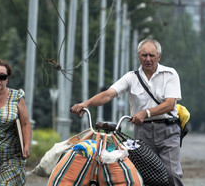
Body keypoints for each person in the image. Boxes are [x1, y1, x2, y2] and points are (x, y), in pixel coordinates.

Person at [71, 38, 184, 186]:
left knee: (171, 174)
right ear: (139, 56)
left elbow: (169, 104)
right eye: (144, 55)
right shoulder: (131, 77)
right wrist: (85, 104)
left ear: (159, 56)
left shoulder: (170, 74)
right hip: (142, 132)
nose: (148, 59)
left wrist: (145, 113)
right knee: (145, 175)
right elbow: (108, 94)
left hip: (167, 131)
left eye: (151, 55)